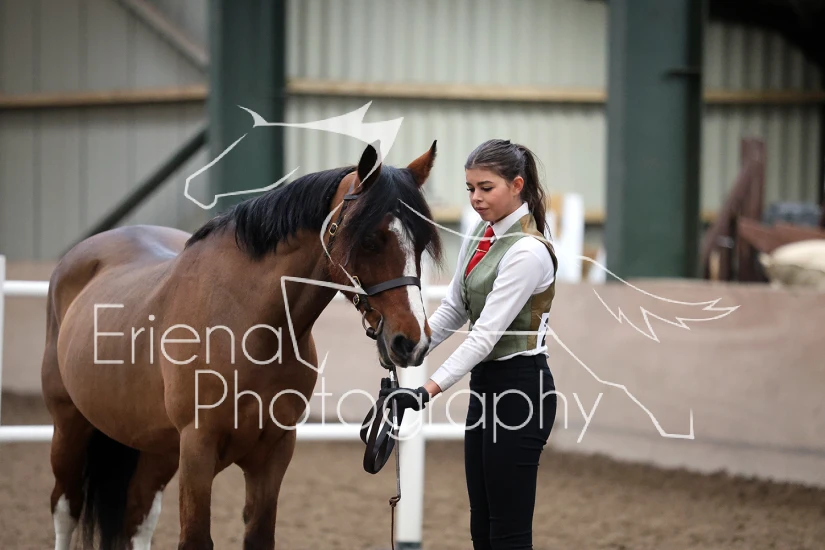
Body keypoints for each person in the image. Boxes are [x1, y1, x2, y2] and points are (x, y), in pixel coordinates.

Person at [381, 138, 558, 549]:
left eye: (485, 188)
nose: (475, 197)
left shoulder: (527, 251)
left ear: (517, 185)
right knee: (482, 528)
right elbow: (456, 308)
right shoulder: (480, 234)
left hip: (521, 390)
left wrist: (425, 391)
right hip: (487, 388)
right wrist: (412, 349)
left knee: (509, 534)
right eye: (470, 188)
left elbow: (485, 336)